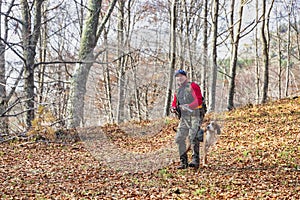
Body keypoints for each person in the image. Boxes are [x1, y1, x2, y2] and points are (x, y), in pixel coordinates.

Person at [171, 69, 204, 169]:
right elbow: (175, 101)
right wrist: (173, 107)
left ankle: (195, 160)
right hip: (184, 117)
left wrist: (188, 106)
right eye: (177, 76)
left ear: (186, 77)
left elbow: (199, 100)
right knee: (179, 138)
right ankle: (183, 161)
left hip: (195, 115)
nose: (179, 78)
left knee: (193, 136)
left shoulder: (193, 86)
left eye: (181, 76)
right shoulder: (178, 90)